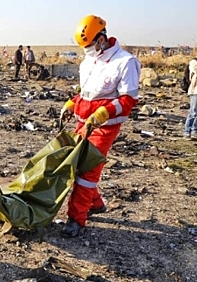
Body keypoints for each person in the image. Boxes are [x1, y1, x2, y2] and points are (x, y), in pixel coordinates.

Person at [59, 15, 140, 237]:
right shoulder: (89, 62)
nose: (87, 50)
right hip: (83, 122)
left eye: (89, 45)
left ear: (101, 39)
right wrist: (71, 104)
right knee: (76, 165)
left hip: (104, 127)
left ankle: (76, 219)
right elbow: (85, 93)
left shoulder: (125, 62)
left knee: (86, 172)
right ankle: (95, 204)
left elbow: (128, 100)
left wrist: (100, 115)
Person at [183, 56, 197, 139]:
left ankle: (195, 131)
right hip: (195, 91)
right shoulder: (194, 62)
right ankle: (187, 131)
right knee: (193, 112)